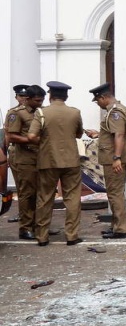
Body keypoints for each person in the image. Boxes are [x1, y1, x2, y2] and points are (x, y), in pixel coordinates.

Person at [27, 81, 85, 246]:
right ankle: (72, 235)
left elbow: (31, 136)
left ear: (50, 95)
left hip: (48, 160)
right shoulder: (75, 112)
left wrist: (45, 141)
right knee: (73, 198)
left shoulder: (42, 113)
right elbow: (79, 134)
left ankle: (42, 236)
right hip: (71, 160)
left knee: (45, 198)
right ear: (66, 96)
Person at [86, 83, 126, 240]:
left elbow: (119, 134)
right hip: (114, 156)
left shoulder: (115, 112)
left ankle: (121, 229)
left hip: (114, 158)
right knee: (115, 193)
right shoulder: (117, 110)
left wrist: (116, 158)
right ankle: (116, 225)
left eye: (97, 101)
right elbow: (113, 133)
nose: (98, 104)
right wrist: (99, 134)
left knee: (115, 193)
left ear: (103, 97)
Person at [5, 85, 45, 240]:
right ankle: (25, 227)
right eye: (37, 100)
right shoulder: (16, 114)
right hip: (25, 158)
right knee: (27, 193)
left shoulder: (41, 112)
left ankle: (39, 225)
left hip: (41, 158)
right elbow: (11, 136)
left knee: (40, 193)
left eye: (42, 100)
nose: (40, 103)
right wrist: (32, 140)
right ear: (27, 99)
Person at [4, 84, 29, 223]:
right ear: (16, 97)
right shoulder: (13, 112)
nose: (23, 99)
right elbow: (8, 135)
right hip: (16, 150)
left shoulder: (36, 111)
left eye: (26, 96)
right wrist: (5, 155)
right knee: (21, 185)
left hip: (34, 152)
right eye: (21, 96)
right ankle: (22, 213)